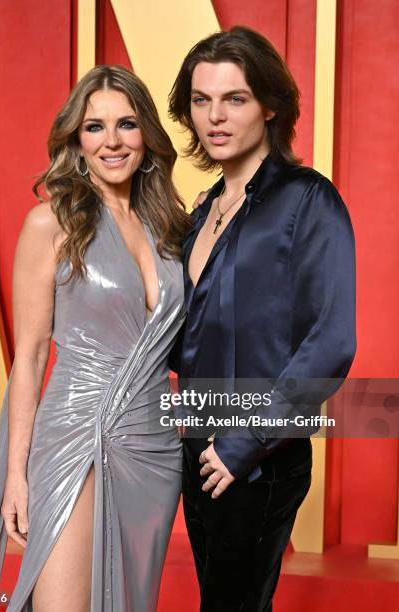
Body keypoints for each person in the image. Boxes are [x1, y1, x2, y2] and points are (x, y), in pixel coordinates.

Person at [0, 64, 190, 612]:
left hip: (153, 449)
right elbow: (29, 357)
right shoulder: (50, 224)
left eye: (126, 124)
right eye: (94, 126)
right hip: (75, 437)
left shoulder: (172, 230)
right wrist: (16, 474)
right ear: (76, 141)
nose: (112, 141)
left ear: (146, 134)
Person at [168, 26, 356, 611]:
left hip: (256, 459)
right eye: (201, 101)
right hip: (194, 446)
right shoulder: (203, 210)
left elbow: (331, 343)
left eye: (235, 99)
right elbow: (188, 340)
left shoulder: (308, 199)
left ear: (270, 105)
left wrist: (241, 443)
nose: (214, 117)